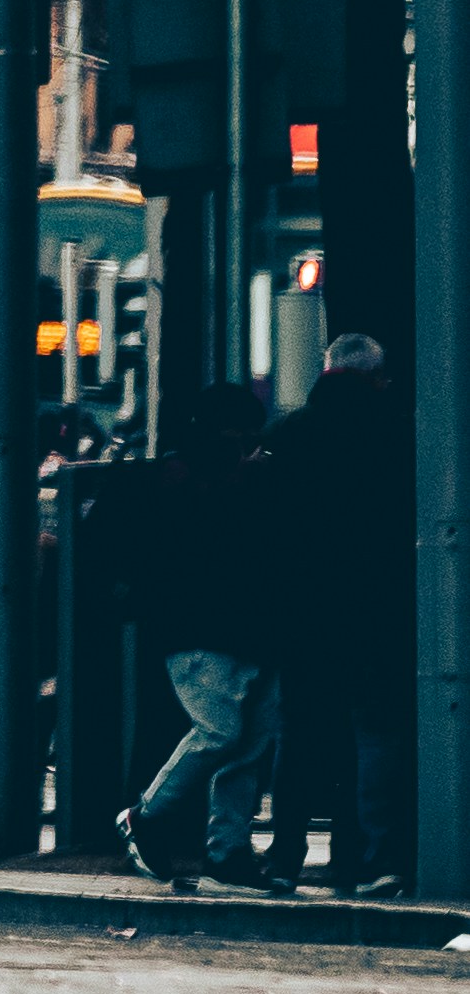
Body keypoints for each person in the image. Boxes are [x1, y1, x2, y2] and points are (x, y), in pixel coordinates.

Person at [259, 329, 416, 896]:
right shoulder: (400, 436)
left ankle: (284, 859)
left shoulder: (286, 435)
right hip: (378, 609)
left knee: (300, 733)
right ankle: (371, 857)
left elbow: (261, 532)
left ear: (325, 373)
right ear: (377, 377)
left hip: (303, 613)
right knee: (375, 733)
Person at [117, 392, 276, 888]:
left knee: (245, 744)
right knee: (222, 733)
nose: (248, 444)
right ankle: (146, 814)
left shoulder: (192, 476)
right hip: (204, 629)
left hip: (237, 628)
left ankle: (227, 851)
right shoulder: (189, 479)